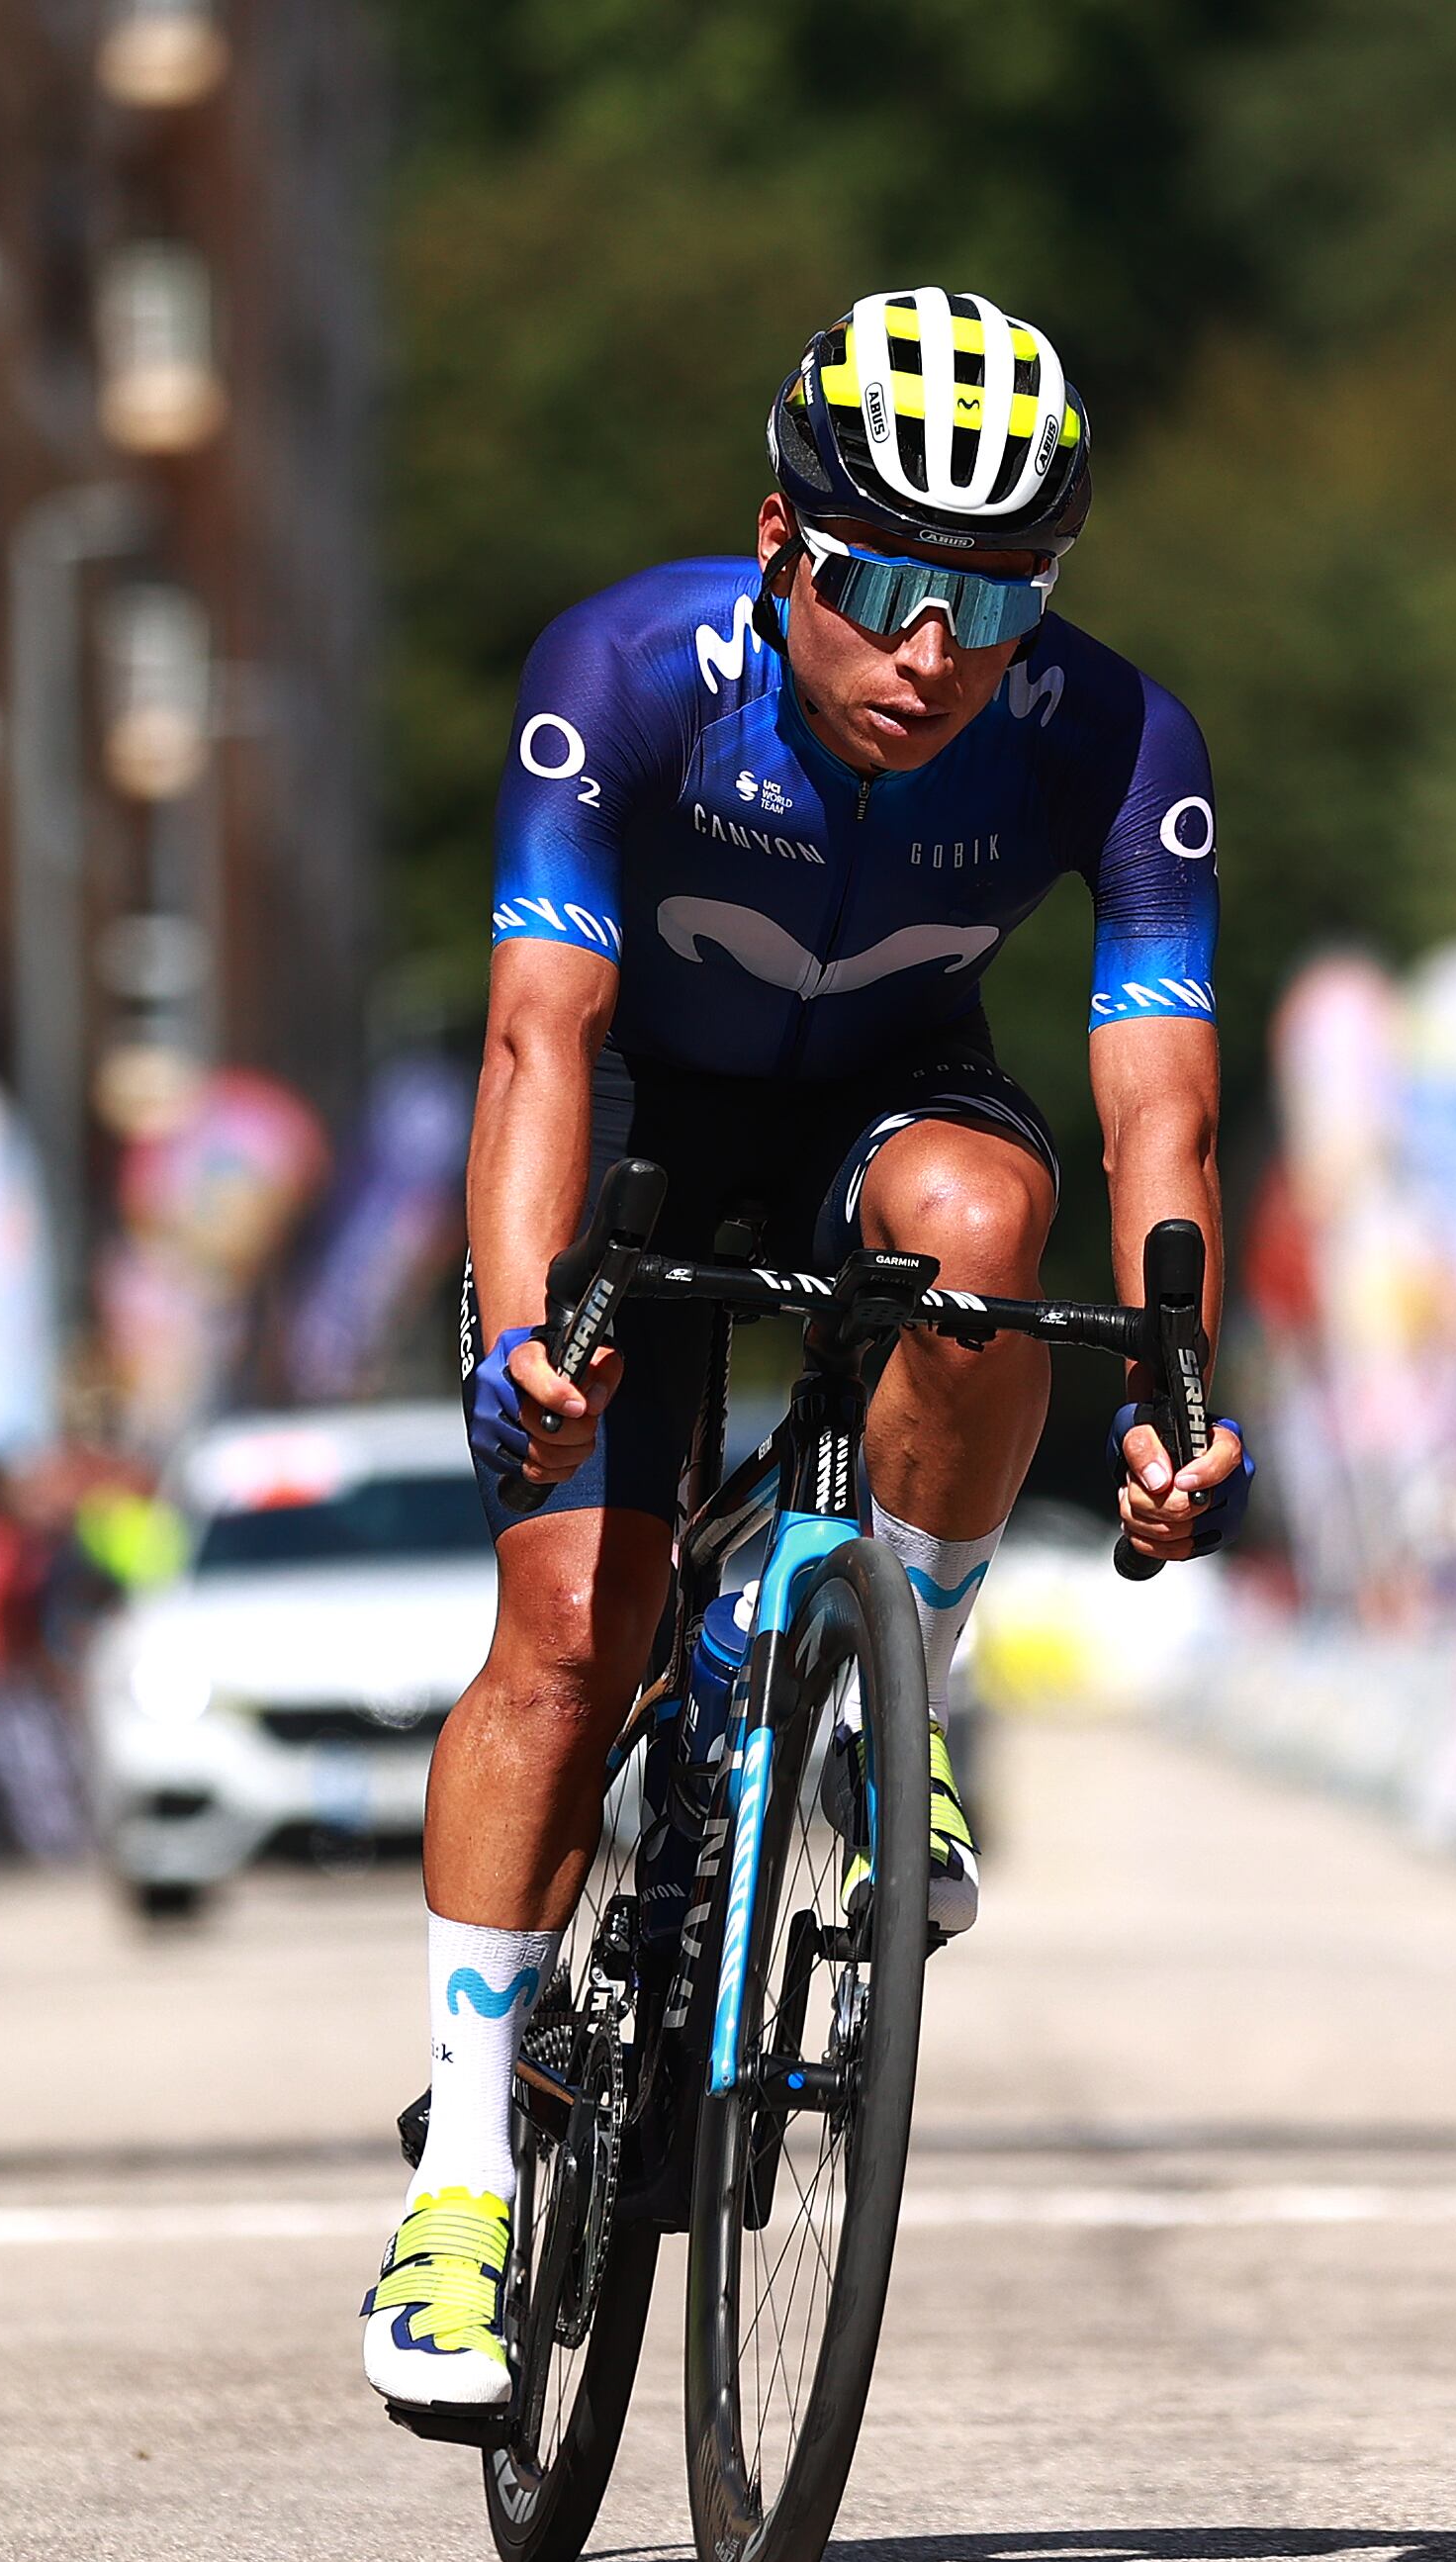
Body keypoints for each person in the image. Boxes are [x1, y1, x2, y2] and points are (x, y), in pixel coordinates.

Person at [363, 290, 1252, 2414]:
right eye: (884, 587)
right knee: (569, 1638)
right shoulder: (623, 673)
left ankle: (894, 1675)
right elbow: (539, 1040)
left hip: (885, 1097)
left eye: (996, 601)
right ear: (781, 545)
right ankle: (463, 2182)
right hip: (633, 1127)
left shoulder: (1116, 738)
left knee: (987, 1226)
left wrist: (1176, 1399)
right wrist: (522, 1328)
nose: (933, 651)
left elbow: (1164, 1114)